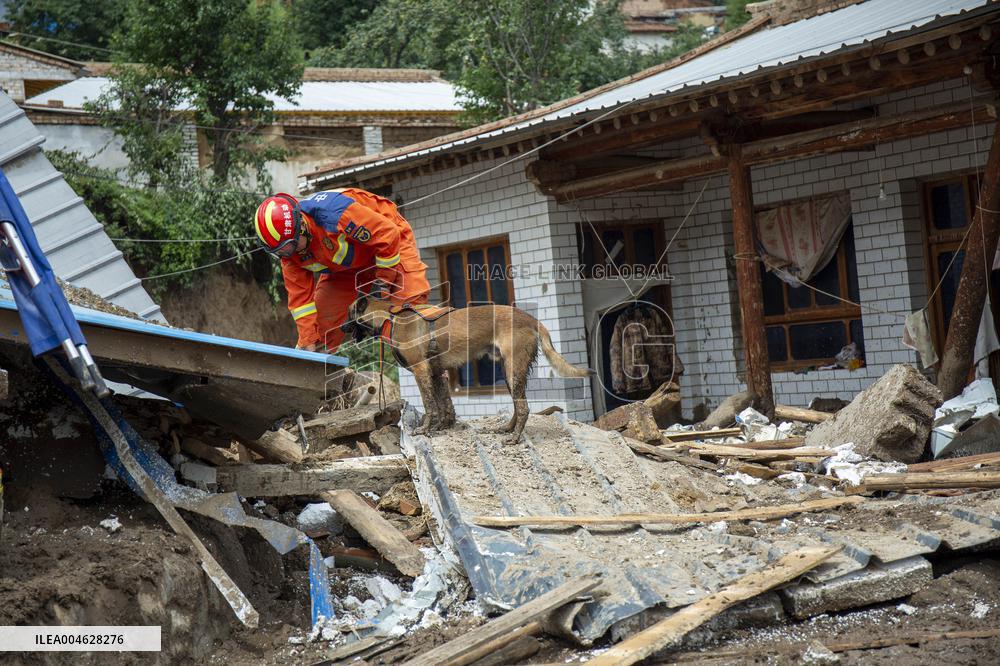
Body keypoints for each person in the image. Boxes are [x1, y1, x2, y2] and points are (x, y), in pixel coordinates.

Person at [254, 188, 430, 351]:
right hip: (347, 268)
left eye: (289, 246)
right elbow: (301, 303)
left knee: (409, 317)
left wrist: (382, 285)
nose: (289, 253)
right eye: (280, 251)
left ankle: (435, 365)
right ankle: (319, 370)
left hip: (389, 242)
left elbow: (387, 235)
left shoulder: (334, 213)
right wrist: (308, 344)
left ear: (301, 226)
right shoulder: (288, 255)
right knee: (319, 332)